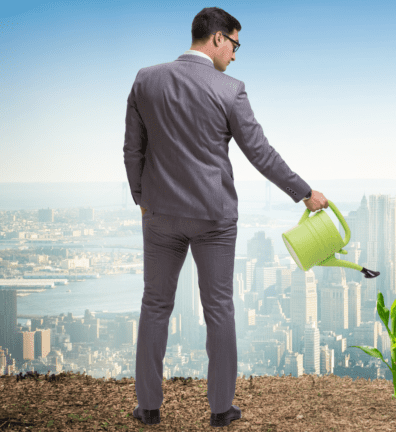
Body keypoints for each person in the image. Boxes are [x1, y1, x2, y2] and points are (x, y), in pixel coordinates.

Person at [123, 7, 328, 428]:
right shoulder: (229, 89)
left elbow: (132, 149)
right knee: (218, 308)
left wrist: (142, 198)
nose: (235, 55)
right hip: (214, 218)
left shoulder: (146, 79)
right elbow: (261, 154)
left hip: (159, 214)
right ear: (217, 38)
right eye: (235, 45)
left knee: (155, 305)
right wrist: (305, 193)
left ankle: (148, 409)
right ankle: (220, 410)